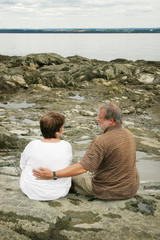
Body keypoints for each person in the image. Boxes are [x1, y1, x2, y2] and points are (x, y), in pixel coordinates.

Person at [33, 102, 140, 200]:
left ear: (111, 120)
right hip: (131, 189)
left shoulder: (102, 141)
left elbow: (82, 168)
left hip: (108, 191)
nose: (97, 119)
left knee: (69, 175)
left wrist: (53, 174)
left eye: (100, 117)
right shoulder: (128, 134)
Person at [20, 112, 72, 201]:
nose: (63, 128)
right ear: (57, 132)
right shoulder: (66, 145)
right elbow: (68, 164)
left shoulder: (32, 144)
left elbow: (22, 165)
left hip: (30, 189)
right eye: (62, 127)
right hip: (58, 191)